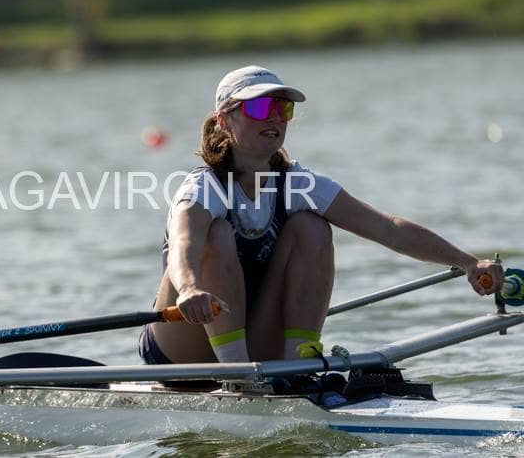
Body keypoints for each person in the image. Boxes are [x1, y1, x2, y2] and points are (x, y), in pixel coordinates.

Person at [139, 65, 506, 365]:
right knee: (217, 235)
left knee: (312, 227)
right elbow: (184, 246)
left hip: (253, 338)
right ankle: (239, 377)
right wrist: (190, 289)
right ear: (224, 120)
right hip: (181, 349)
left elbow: (388, 228)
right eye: (259, 108)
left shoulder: (299, 184)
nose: (275, 117)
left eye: (283, 109)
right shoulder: (202, 188)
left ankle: (298, 364)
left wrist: (468, 262)